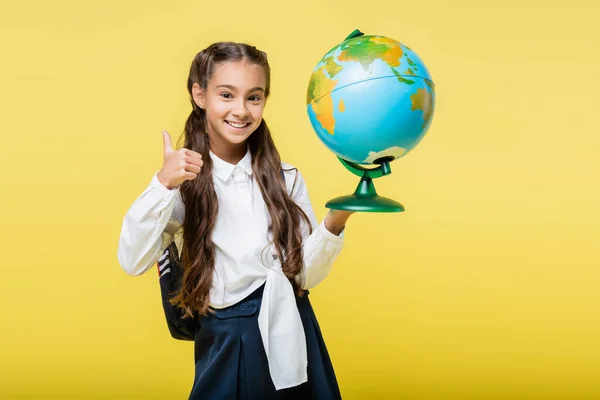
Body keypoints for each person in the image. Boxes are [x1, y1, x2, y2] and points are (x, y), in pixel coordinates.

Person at [117, 41, 354, 399]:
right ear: (199, 95)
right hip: (229, 337)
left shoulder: (286, 177)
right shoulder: (183, 183)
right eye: (226, 95)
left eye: (254, 97)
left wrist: (335, 222)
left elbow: (304, 275)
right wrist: (162, 183)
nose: (241, 110)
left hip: (295, 325)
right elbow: (132, 260)